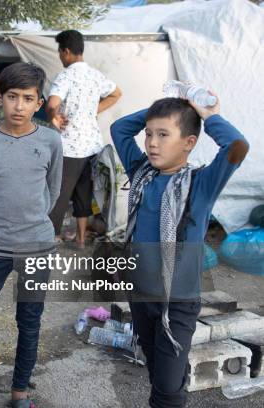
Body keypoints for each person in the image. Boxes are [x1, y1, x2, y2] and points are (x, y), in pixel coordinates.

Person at [111, 95, 248, 407]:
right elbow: (120, 128)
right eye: (148, 134)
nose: (151, 143)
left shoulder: (201, 184)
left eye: (163, 135)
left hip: (178, 303)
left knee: (167, 391)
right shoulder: (142, 174)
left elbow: (237, 147)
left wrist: (204, 113)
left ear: (188, 143)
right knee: (158, 371)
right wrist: (166, 108)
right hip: (142, 295)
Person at [0, 62, 63, 408]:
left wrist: (30, 220)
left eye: (28, 98)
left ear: (39, 103)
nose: (19, 106)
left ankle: (20, 392)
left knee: (29, 320)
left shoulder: (50, 140)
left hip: (37, 247)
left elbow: (52, 190)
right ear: (0, 99)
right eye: (12, 97)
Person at [46, 30, 122, 247]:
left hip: (71, 146)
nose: (60, 57)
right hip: (92, 145)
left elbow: (52, 104)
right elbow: (117, 93)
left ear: (67, 51)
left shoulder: (66, 75)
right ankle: (80, 239)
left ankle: (52, 238)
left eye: (60, 52)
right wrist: (93, 110)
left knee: (58, 193)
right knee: (83, 193)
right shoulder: (95, 75)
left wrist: (54, 117)